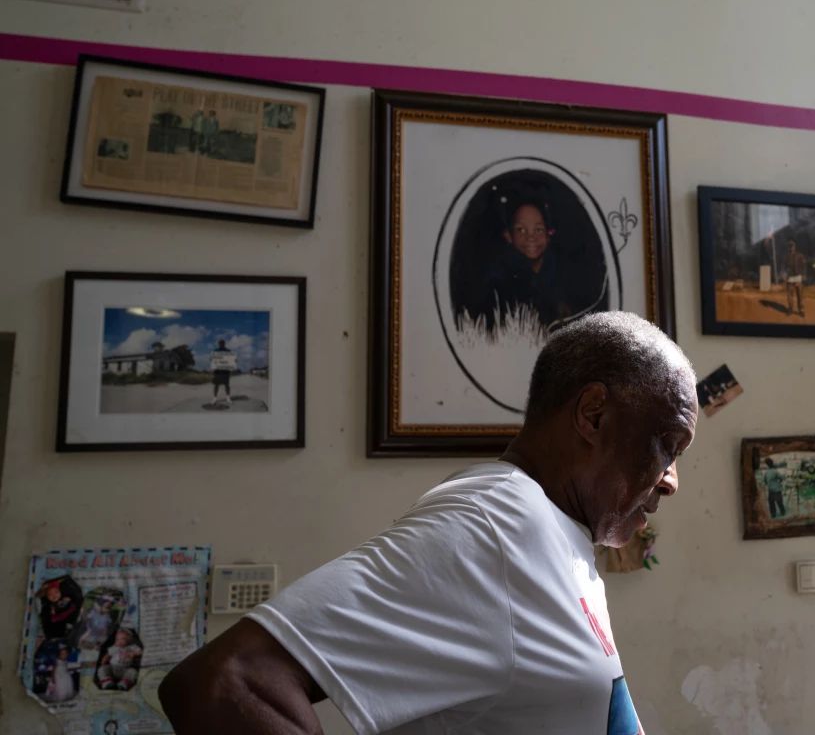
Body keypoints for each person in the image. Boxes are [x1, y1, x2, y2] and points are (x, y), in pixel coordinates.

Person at [159, 312, 698, 734]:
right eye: (667, 445)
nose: (671, 480)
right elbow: (227, 682)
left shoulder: (554, 531)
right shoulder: (496, 526)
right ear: (593, 414)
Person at [478, 201, 574, 332]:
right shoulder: (499, 282)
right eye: (521, 230)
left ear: (549, 235)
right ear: (508, 236)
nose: (531, 237)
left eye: (539, 230)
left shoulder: (559, 269)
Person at [784, 241, 806, 316]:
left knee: (800, 295)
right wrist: (784, 274)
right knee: (789, 295)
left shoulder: (799, 255)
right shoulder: (786, 256)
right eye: (789, 246)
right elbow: (784, 266)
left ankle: (801, 310)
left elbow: (804, 265)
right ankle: (790, 309)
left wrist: (803, 275)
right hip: (790, 278)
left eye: (792, 246)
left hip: (798, 277)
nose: (791, 247)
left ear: (795, 246)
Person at [210, 340, 233, 407]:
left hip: (225, 371)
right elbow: (212, 360)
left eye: (222, 343)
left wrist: (233, 361)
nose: (221, 344)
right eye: (220, 343)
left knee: (227, 385)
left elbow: (232, 360)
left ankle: (228, 398)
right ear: (218, 344)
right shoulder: (215, 351)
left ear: (224, 343)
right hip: (217, 371)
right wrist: (212, 359)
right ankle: (214, 398)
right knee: (216, 385)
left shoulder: (228, 351)